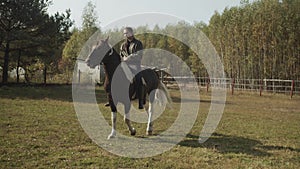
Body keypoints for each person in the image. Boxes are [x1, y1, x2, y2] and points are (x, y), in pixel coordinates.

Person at [120, 27, 144, 109]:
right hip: (125, 65)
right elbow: (121, 55)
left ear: (131, 33)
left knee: (138, 79)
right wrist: (122, 58)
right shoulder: (123, 45)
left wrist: (129, 57)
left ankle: (141, 101)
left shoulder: (138, 43)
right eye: (124, 33)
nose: (125, 35)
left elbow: (139, 55)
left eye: (126, 33)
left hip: (135, 66)